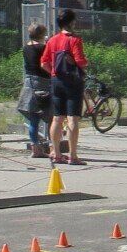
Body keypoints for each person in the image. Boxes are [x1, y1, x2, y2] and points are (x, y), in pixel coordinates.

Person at [39, 9, 88, 166]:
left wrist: (53, 72)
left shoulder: (52, 40)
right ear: (72, 22)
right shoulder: (75, 40)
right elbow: (80, 62)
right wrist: (83, 63)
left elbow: (44, 62)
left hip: (56, 81)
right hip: (73, 82)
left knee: (57, 118)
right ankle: (73, 156)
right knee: (72, 118)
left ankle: (57, 153)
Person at [18, 23, 51, 158]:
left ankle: (35, 147)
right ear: (41, 35)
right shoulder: (42, 47)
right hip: (42, 82)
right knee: (52, 116)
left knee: (33, 118)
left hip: (29, 82)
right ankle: (52, 145)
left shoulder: (26, 47)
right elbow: (46, 63)